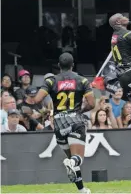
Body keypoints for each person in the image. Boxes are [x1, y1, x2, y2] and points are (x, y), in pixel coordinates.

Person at [33, 53, 96, 194]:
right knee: (77, 159)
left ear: (59, 65)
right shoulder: (82, 80)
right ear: (73, 65)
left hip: (59, 123)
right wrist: (81, 109)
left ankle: (82, 190)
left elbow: (37, 100)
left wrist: (45, 111)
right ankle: (73, 164)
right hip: (75, 120)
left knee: (70, 158)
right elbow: (92, 104)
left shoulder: (51, 81)